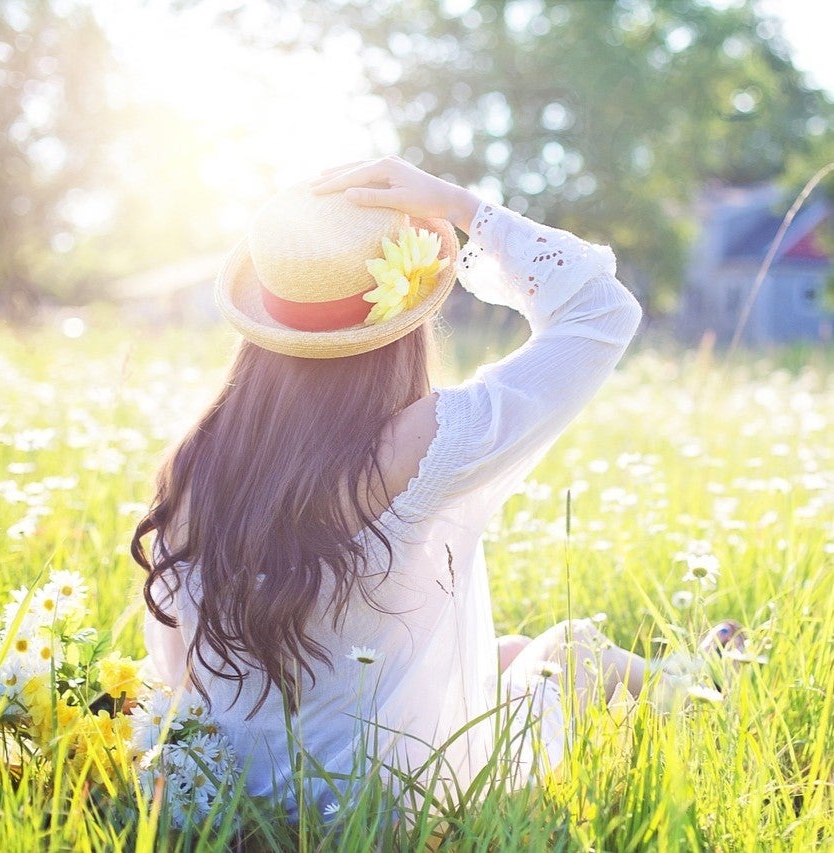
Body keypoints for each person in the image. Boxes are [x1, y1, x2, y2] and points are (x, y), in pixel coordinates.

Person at [131, 156, 741, 818]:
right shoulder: (418, 443)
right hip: (392, 805)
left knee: (508, 654)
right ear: (401, 323)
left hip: (238, 793)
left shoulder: (197, 458)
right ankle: (698, 686)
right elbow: (602, 311)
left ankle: (689, 676)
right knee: (572, 650)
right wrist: (462, 206)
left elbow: (177, 663)